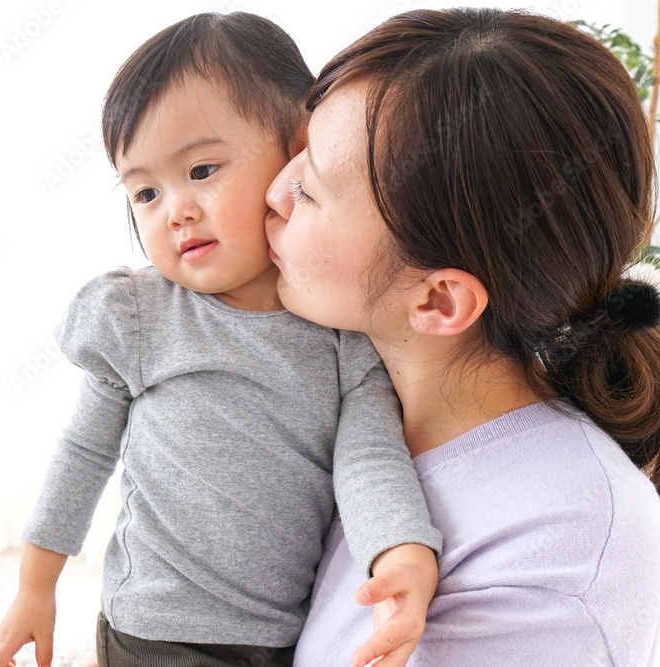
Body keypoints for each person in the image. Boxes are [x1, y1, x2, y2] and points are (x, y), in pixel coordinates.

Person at [0, 12, 444, 667]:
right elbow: (82, 455)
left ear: (297, 155)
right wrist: (35, 587)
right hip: (155, 626)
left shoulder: (344, 332)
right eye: (145, 191)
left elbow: (370, 458)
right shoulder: (137, 316)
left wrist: (402, 552)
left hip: (279, 633)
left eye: (202, 170)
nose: (176, 210)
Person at [264, 7, 660, 665]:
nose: (274, 190)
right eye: (298, 151)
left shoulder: (563, 552)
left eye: (310, 190)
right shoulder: (346, 416)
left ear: (439, 300)